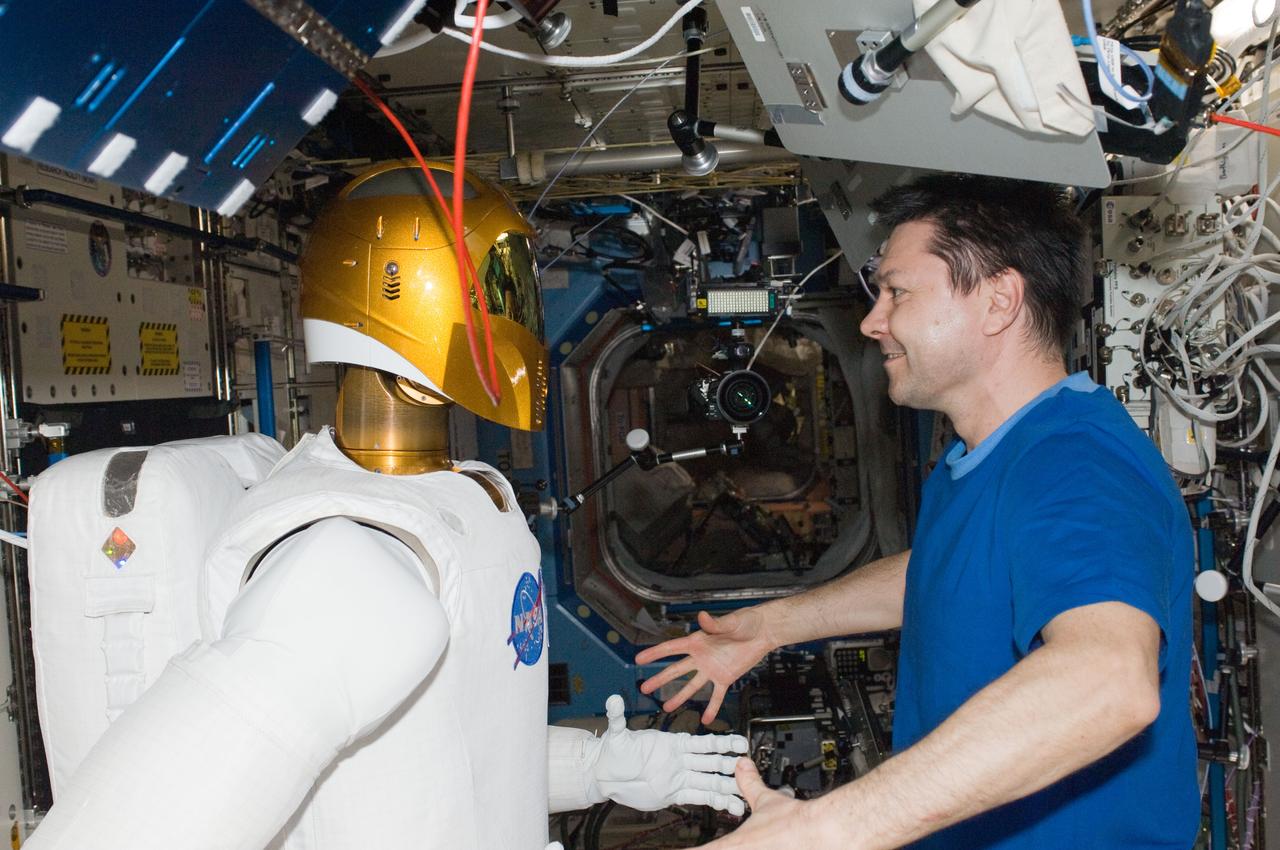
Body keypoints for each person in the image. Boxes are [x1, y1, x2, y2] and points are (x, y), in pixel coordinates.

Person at [25, 160, 747, 850]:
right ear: (411, 299)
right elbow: (144, 826)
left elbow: (435, 769)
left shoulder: (441, 510)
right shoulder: (351, 561)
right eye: (496, 291)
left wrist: (593, 771)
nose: (517, 316)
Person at [636, 174, 1198, 849]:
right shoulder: (986, 458)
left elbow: (1108, 680)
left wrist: (825, 830)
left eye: (898, 292)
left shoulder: (1072, 463)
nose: (874, 321)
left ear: (997, 302)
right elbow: (945, 572)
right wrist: (771, 626)